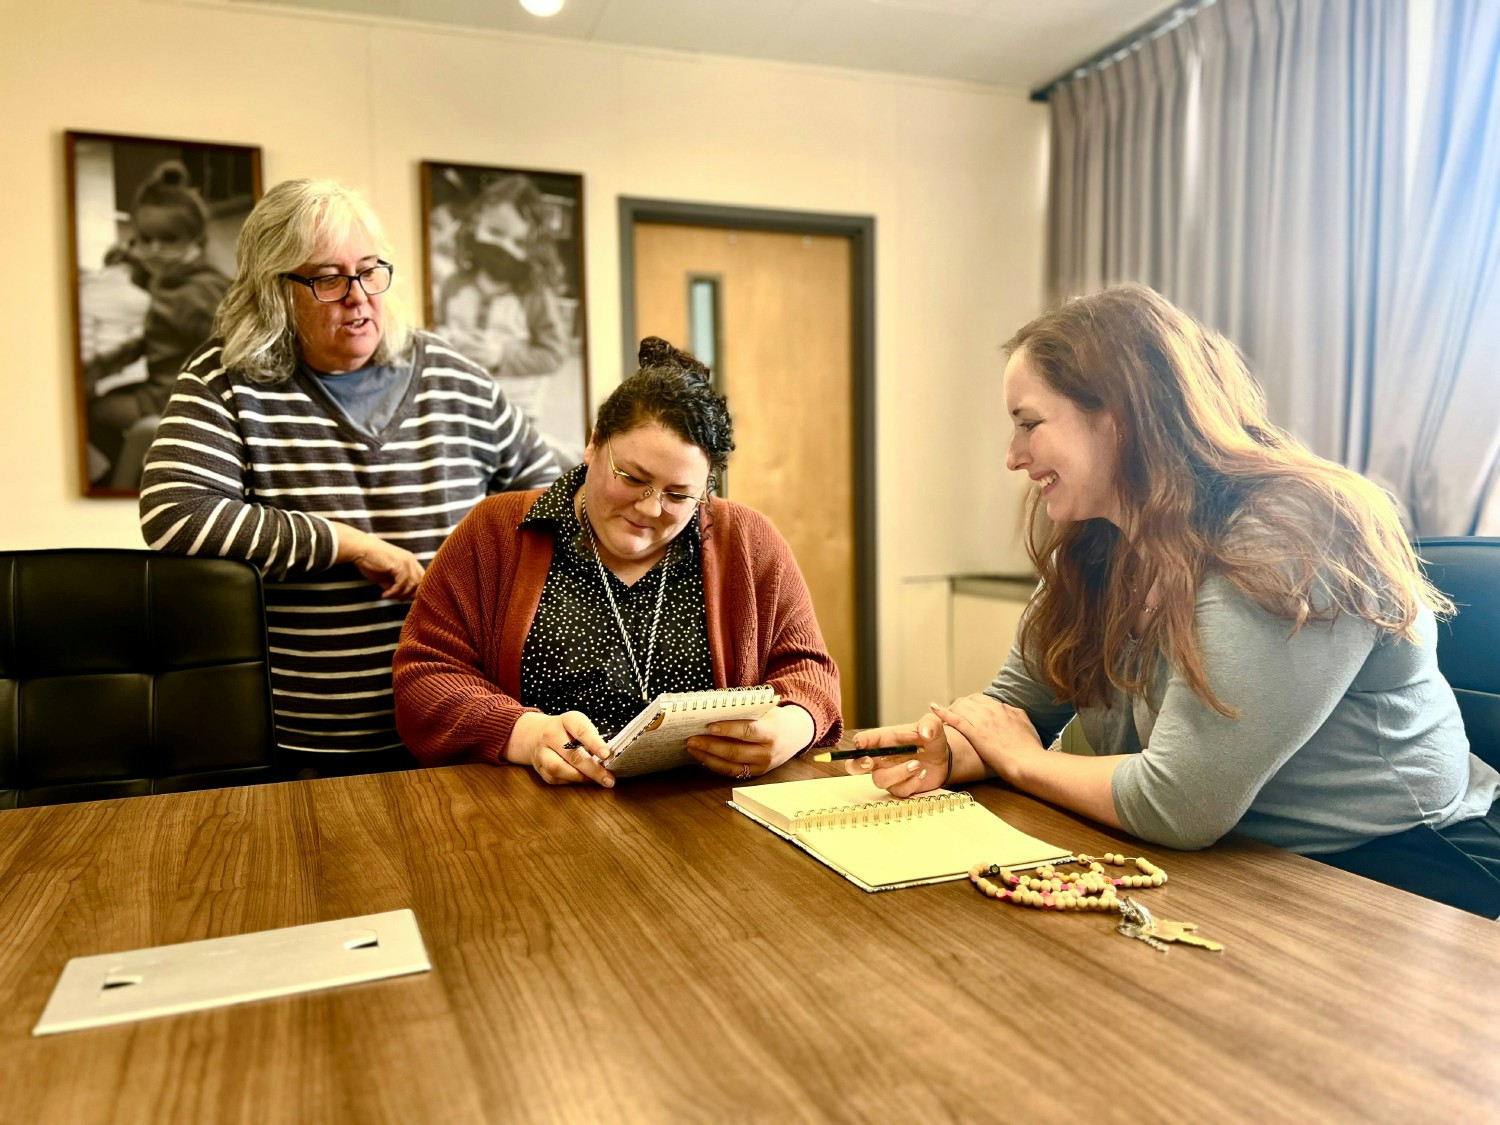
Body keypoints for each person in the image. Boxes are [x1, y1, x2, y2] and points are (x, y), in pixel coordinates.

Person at [855, 284, 1500, 915]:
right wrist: (959, 750)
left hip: (1405, 871)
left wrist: (1020, 763)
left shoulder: (1295, 533)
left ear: (1119, 418)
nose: (1013, 456)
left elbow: (1178, 804)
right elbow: (1015, 710)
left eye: (1029, 424)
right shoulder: (1099, 542)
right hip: (1235, 864)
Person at [140, 178, 559, 774]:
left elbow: (553, 499)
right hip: (306, 746)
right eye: (328, 279)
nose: (358, 297)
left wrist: (474, 580)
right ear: (275, 291)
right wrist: (347, 544)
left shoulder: (453, 377)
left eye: (369, 271)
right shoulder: (227, 381)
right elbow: (176, 514)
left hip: (459, 733)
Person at [392, 337, 842, 785]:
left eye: (679, 494)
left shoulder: (745, 541)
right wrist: (525, 733)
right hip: (529, 815)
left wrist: (791, 727)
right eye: (632, 477)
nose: (649, 508)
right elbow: (424, 676)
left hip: (702, 813)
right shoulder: (497, 531)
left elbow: (811, 673)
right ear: (594, 444)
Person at [87, 160, 231, 487]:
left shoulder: (194, 293)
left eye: (168, 241)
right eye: (145, 239)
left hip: (173, 394)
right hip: (167, 386)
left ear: (197, 240)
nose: (153, 251)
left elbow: (225, 353)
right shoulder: (173, 278)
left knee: (91, 412)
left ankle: (119, 479)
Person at [435, 174, 568, 425]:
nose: (505, 248)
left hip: (516, 415)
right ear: (475, 224)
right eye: (495, 232)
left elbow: (554, 354)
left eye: (519, 242)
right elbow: (438, 330)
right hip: (460, 407)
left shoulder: (535, 296)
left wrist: (501, 356)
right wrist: (446, 341)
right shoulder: (454, 285)